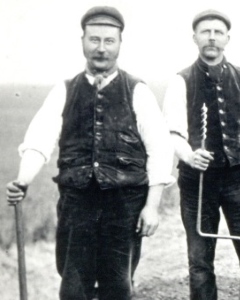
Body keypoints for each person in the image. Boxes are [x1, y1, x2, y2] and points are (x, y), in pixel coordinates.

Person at [5, 6, 173, 300]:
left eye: (109, 41)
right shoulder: (65, 90)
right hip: (77, 203)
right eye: (94, 40)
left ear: (120, 44)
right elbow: (39, 139)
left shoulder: (137, 91)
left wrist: (152, 206)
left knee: (118, 286)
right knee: (72, 288)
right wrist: (23, 180)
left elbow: (159, 149)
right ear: (82, 41)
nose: (101, 49)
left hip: (124, 205)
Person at [162, 9, 240, 300]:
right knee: (200, 263)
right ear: (195, 38)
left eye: (217, 32)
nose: (211, 37)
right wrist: (189, 156)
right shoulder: (180, 81)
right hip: (198, 186)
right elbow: (173, 133)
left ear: (227, 38)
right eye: (205, 32)